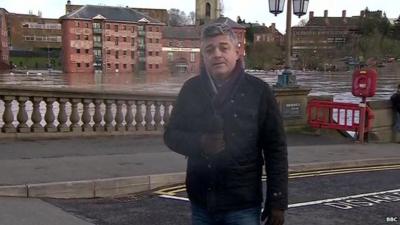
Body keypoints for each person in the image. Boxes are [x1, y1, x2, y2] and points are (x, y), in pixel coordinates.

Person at [164, 22, 288, 225]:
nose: (217, 54)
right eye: (209, 49)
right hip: (201, 202)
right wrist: (201, 143)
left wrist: (277, 201)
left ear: (237, 51)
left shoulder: (259, 91)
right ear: (203, 56)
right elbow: (171, 135)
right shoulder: (191, 89)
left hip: (243, 204)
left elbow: (276, 149)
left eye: (223, 47)